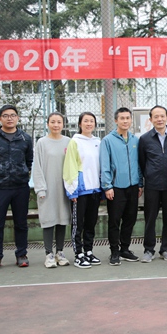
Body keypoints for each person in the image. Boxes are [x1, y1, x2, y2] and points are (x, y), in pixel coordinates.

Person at [0, 104, 33, 271]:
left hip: (20, 187)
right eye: (5, 115)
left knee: (21, 223)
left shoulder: (25, 138)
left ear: (17, 118)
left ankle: (22, 254)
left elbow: (29, 161)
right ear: (0, 119)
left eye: (12, 115)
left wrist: (21, 174)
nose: (9, 118)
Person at [100, 108, 143, 266]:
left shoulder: (135, 140)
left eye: (127, 118)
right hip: (115, 187)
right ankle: (114, 252)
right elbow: (104, 165)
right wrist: (107, 186)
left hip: (133, 187)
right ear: (116, 120)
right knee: (114, 221)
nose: (125, 121)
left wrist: (140, 183)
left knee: (130, 220)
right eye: (122, 118)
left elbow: (138, 163)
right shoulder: (107, 140)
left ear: (131, 120)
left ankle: (125, 249)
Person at [138, 105, 167, 263]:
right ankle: (149, 250)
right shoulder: (144, 139)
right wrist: (148, 177)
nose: (159, 119)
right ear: (151, 119)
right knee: (150, 219)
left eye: (162, 116)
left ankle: (166, 249)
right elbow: (142, 162)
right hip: (152, 185)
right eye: (156, 117)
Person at [63, 112, 103, 269]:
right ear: (80, 124)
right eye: (85, 121)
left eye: (91, 121)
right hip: (80, 191)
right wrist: (72, 190)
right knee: (78, 224)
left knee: (90, 224)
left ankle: (88, 251)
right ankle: (78, 254)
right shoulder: (74, 142)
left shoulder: (98, 142)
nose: (89, 124)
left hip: (95, 190)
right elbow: (70, 166)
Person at [32, 112, 71, 268]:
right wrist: (40, 189)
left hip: (64, 188)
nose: (56, 125)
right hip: (47, 188)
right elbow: (37, 167)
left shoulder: (68, 141)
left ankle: (60, 252)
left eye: (59, 122)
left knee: (62, 219)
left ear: (63, 124)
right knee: (48, 219)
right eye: (53, 122)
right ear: (48, 124)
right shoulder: (41, 143)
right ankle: (48, 254)